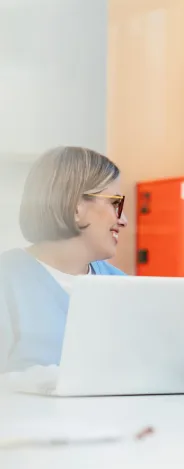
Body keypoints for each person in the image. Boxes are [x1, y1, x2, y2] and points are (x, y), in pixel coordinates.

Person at [0, 146, 128, 373]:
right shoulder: (7, 282)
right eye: (115, 204)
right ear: (76, 207)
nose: (124, 220)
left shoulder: (121, 286)